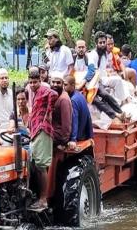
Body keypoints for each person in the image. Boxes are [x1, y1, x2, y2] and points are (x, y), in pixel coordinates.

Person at [28, 70, 58, 210]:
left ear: (40, 81)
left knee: (41, 165)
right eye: (31, 82)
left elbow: (54, 94)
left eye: (35, 82)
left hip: (43, 130)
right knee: (34, 164)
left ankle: (43, 199)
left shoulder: (45, 90)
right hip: (35, 132)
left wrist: (49, 112)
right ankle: (34, 195)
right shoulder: (34, 93)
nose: (33, 84)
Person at [88, 31, 125, 120]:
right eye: (100, 43)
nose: (103, 44)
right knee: (102, 96)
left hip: (100, 79)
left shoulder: (104, 54)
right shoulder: (93, 55)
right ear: (96, 43)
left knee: (112, 87)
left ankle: (121, 111)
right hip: (92, 81)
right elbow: (92, 70)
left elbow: (104, 69)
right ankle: (116, 115)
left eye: (104, 42)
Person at [63, 75, 93, 150]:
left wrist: (73, 139)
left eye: (66, 85)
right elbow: (88, 117)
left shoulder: (73, 100)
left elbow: (74, 120)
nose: (63, 87)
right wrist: (90, 136)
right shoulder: (80, 96)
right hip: (83, 135)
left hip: (78, 136)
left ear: (72, 85)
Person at [50, 71, 72, 149]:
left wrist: (63, 142)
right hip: (51, 132)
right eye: (53, 82)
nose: (55, 85)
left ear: (62, 84)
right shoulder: (54, 95)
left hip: (58, 135)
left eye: (58, 82)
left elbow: (66, 125)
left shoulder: (63, 99)